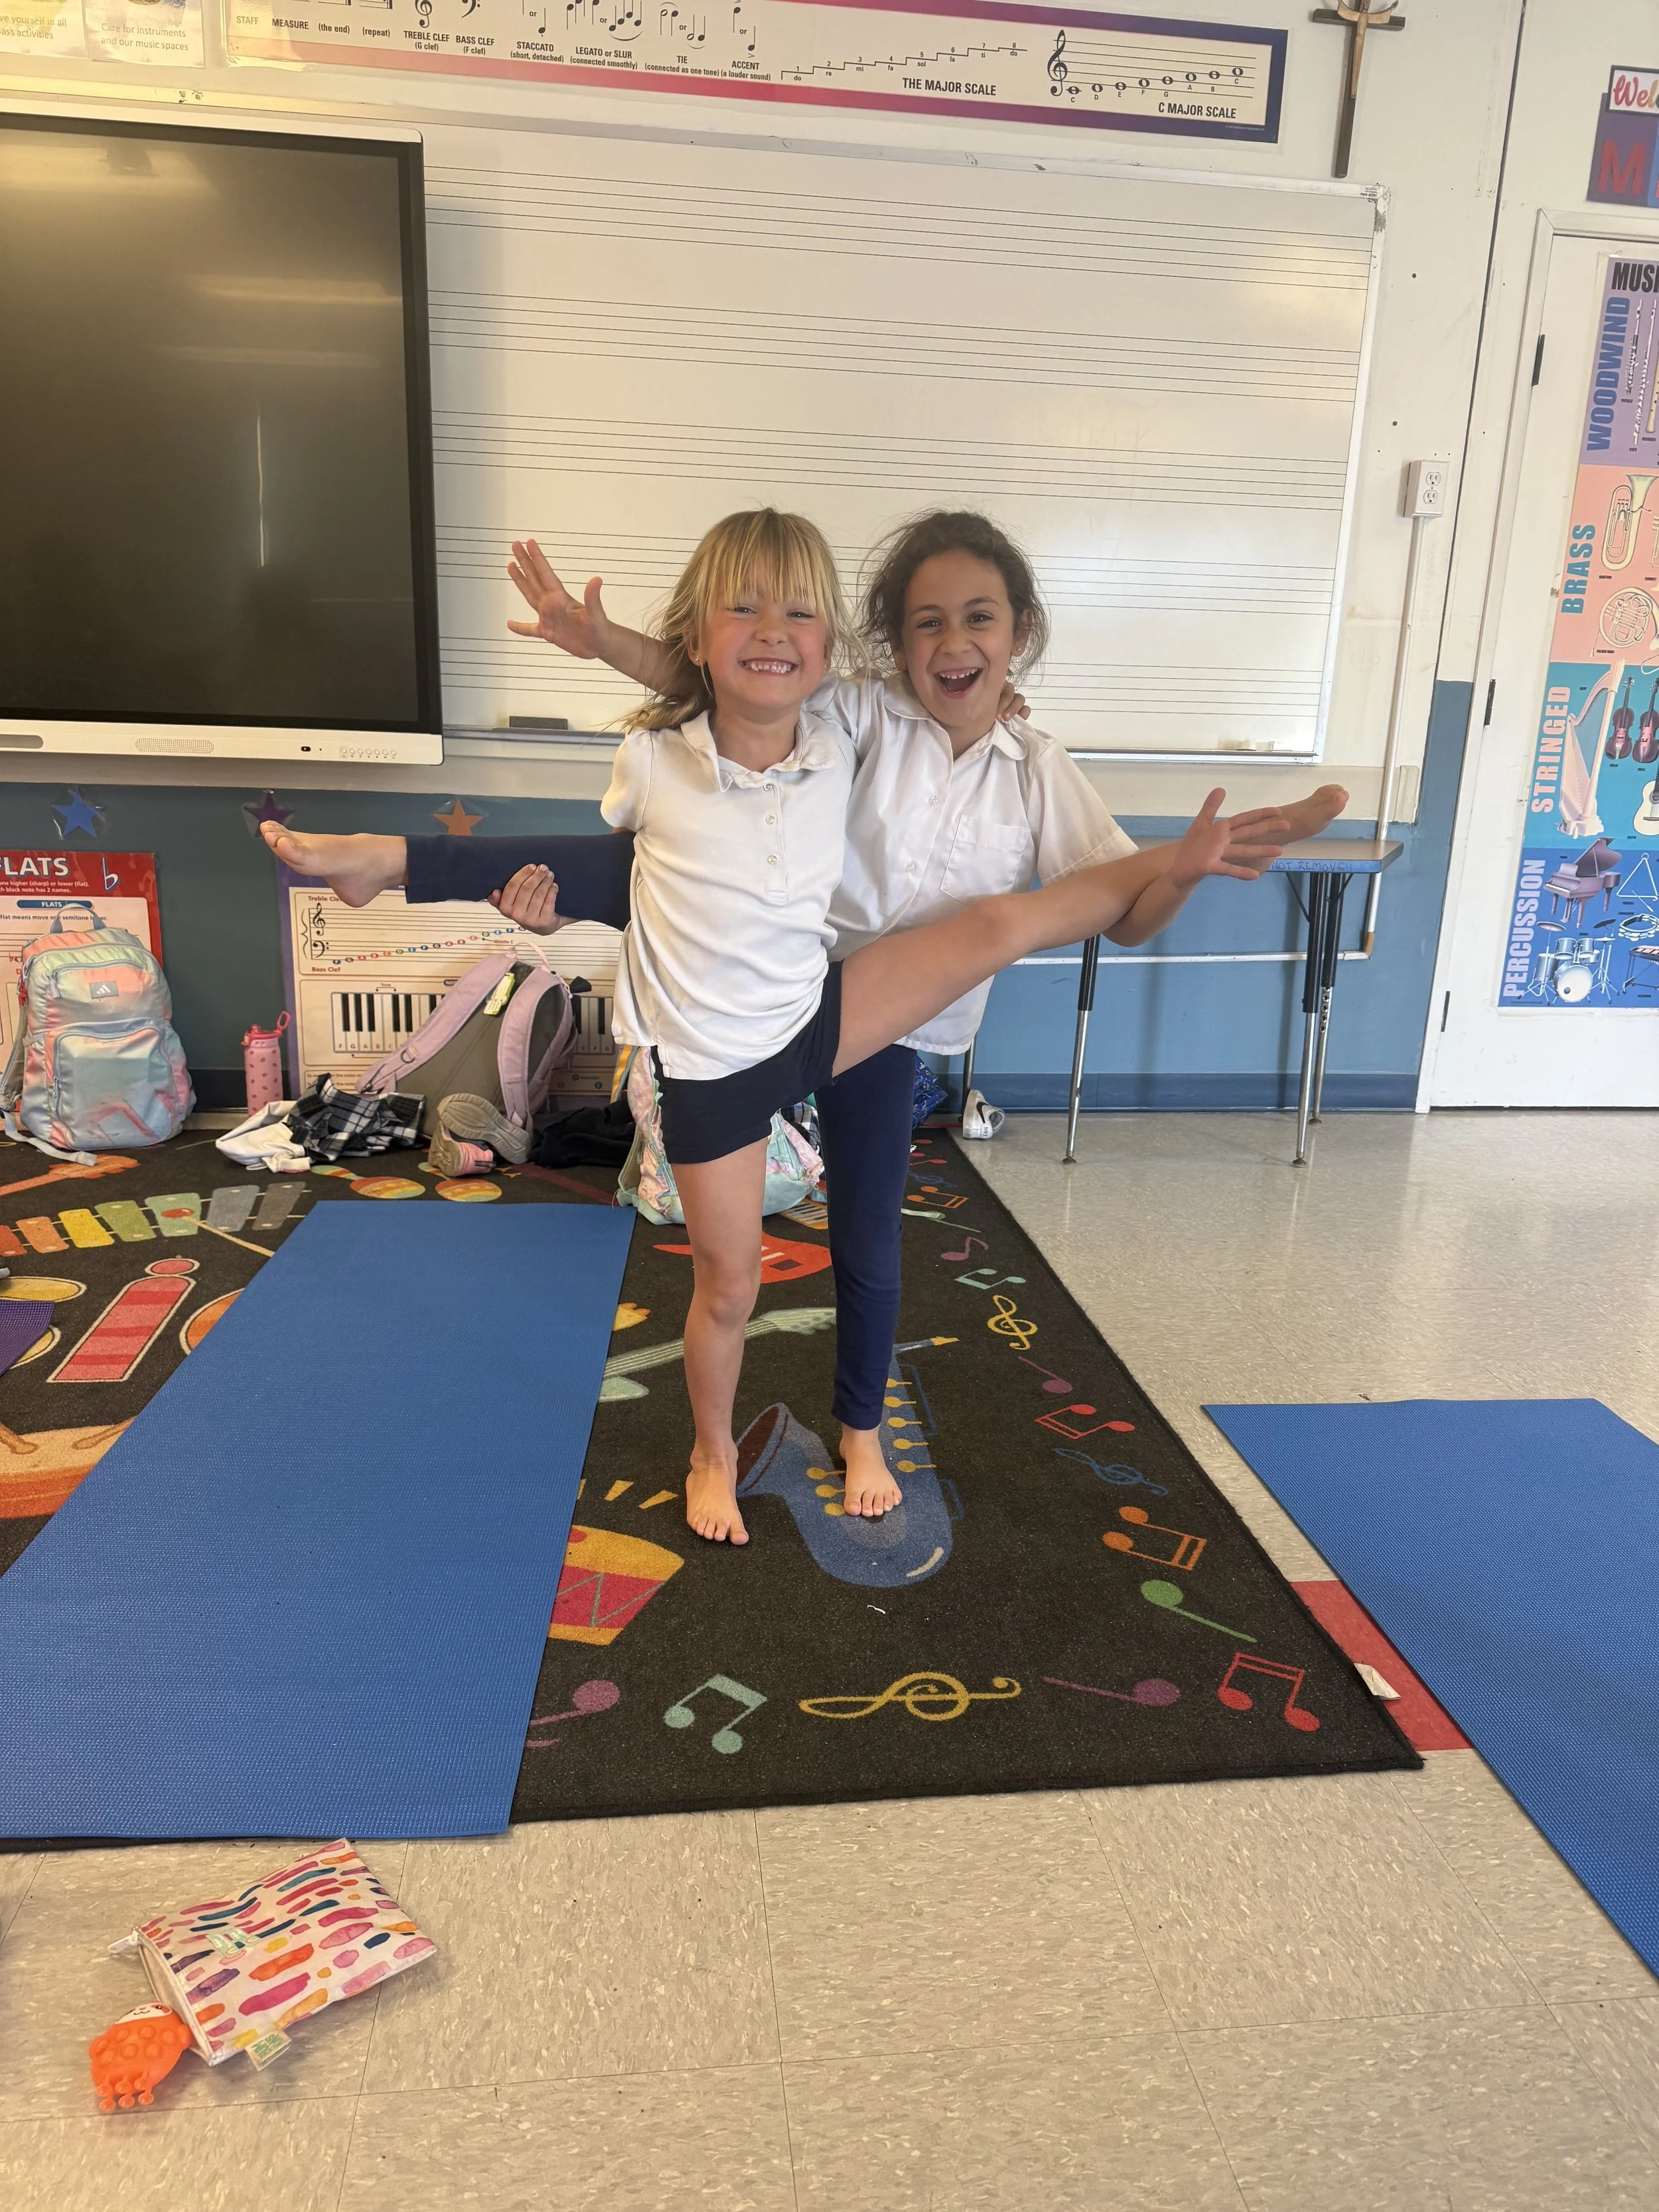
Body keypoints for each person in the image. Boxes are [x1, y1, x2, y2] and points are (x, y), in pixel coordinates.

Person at [265, 508, 1293, 1546]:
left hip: (840, 1012)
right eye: (928, 623)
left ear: (1017, 631)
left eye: (979, 621)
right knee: (732, 1279)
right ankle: (711, 1450)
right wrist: (600, 645)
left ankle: (861, 1429)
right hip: (727, 1053)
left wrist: (1177, 865)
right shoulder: (786, 734)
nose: (955, 643)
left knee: (985, 952)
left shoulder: (943, 751)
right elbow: (723, 673)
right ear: (890, 645)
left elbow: (1093, 916)